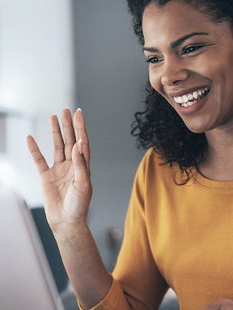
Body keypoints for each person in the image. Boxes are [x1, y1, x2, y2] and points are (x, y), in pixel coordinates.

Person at [26, 0, 233, 309]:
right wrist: (70, 230)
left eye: (190, 48)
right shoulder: (160, 170)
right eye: (155, 58)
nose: (169, 75)